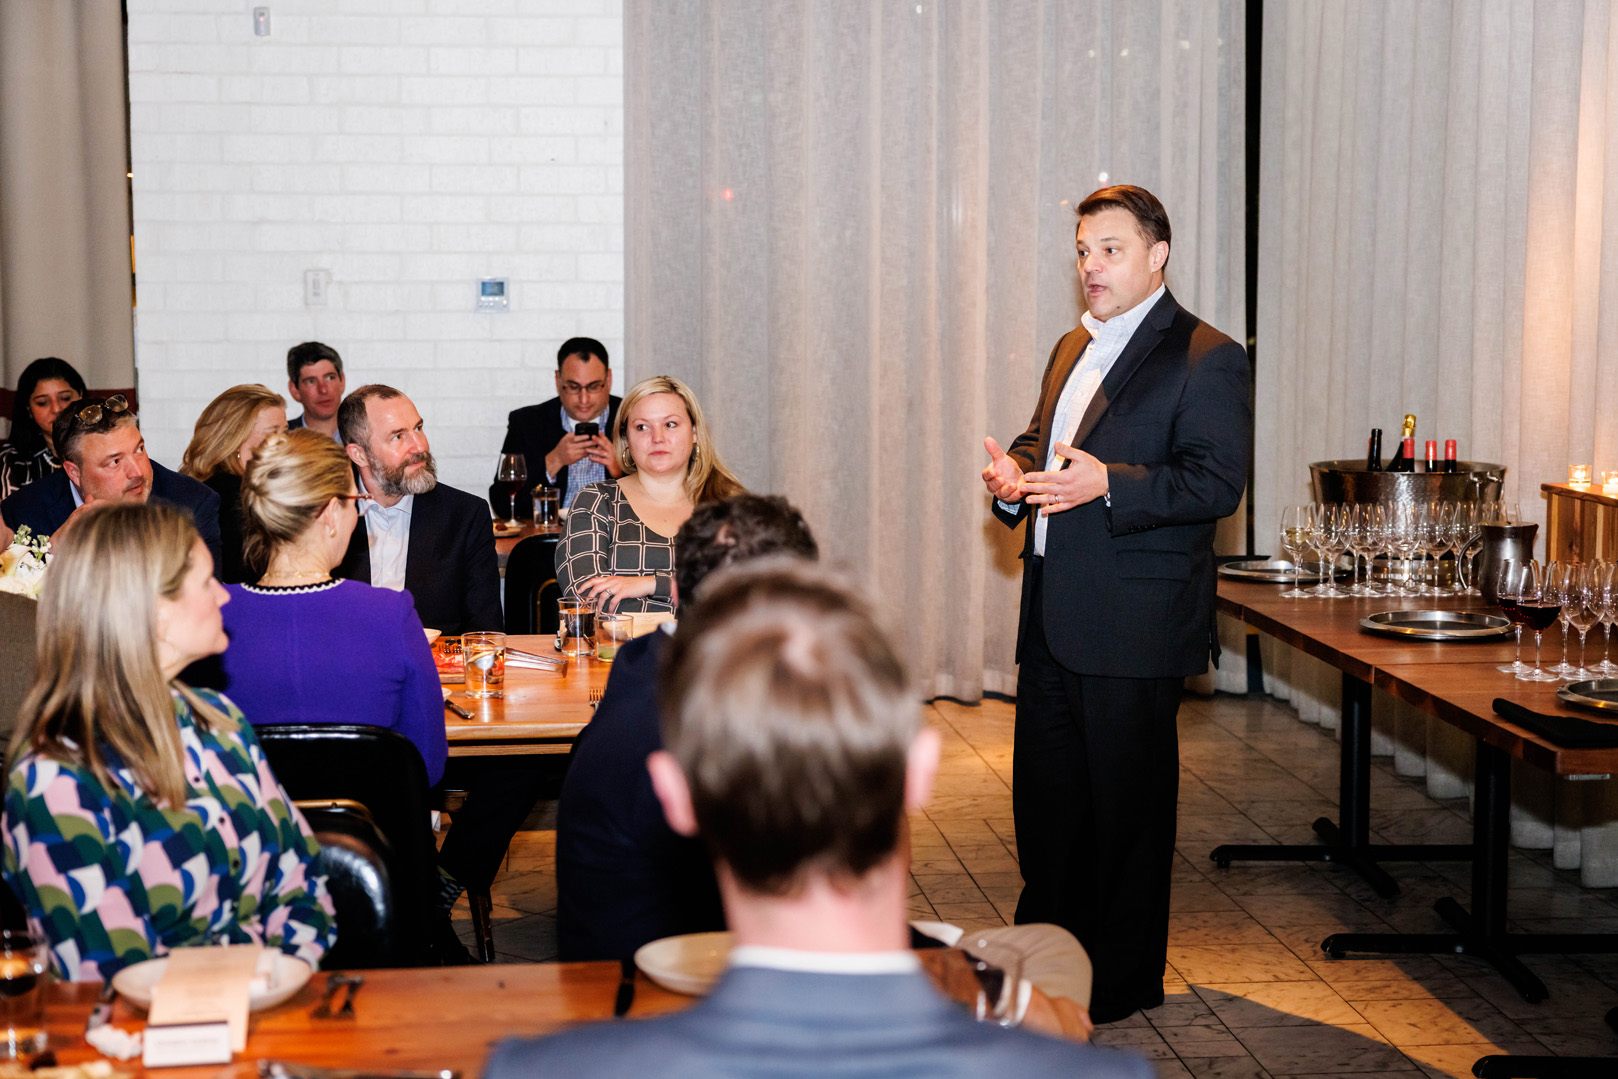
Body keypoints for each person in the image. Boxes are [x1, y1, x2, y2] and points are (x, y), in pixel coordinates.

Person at [486, 563, 1148, 1078]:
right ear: (919, 773)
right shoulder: (1101, 1074)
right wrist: (995, 992)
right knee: (1055, 953)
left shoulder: (537, 1069)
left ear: (679, 796)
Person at [980, 185, 1251, 1023]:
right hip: (1053, 613)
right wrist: (1013, 476)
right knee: (1048, 807)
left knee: (1126, 815)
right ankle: (1047, 961)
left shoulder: (1207, 355)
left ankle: (1122, 981)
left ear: (1156, 254)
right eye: (1083, 251)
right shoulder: (1073, 344)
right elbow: (1042, 439)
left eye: (1110, 249)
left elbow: (1216, 482)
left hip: (1135, 621)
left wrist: (1109, 484)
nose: (1091, 266)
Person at [0, 501, 335, 982]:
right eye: (206, 582)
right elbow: (111, 974)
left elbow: (303, 877)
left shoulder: (221, 722)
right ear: (156, 615)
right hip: (143, 1028)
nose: (223, 596)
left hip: (278, 1004)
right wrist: (252, 981)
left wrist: (283, 973)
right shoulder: (54, 780)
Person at [556, 494, 818, 962]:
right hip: (654, 979)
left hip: (621, 955)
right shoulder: (711, 721)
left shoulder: (643, 662)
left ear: (674, 590)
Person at [217, 429, 446, 785]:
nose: (357, 515)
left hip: (251, 818)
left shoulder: (214, 614)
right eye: (354, 501)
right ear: (329, 513)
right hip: (372, 818)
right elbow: (427, 763)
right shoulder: (390, 614)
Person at [555, 375, 742, 615]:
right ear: (626, 439)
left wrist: (653, 584)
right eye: (642, 427)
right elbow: (587, 598)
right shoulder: (597, 500)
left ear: (695, 432)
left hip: (708, 641)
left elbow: (746, 595)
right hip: (621, 642)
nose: (657, 438)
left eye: (670, 424)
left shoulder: (729, 503)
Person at [334, 384, 502, 634]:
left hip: (435, 659)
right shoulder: (325, 515)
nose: (420, 446)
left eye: (418, 428)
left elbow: (485, 634)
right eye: (398, 436)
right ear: (359, 454)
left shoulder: (465, 515)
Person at [0, 396, 222, 567]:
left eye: (139, 450)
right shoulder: (23, 512)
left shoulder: (192, 505)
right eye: (115, 461)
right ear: (74, 473)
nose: (137, 472)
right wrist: (52, 553)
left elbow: (205, 599)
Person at [495, 337, 622, 518]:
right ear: (558, 380)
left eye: (593, 387)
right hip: (551, 533)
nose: (584, 399)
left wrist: (619, 471)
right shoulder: (528, 423)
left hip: (615, 531)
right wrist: (553, 462)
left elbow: (658, 497)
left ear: (608, 379)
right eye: (573, 387)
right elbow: (502, 505)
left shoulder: (632, 419)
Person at [179, 384, 287, 583]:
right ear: (236, 438)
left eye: (285, 431)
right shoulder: (233, 498)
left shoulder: (207, 488)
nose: (284, 442)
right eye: (273, 433)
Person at [0, 357, 86, 499]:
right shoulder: (11, 460)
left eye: (65, 398)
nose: (56, 409)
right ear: (28, 408)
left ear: (81, 396)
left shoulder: (107, 447)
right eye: (42, 402)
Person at [284, 341, 346, 443]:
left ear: (342, 381)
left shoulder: (365, 435)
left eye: (330, 378)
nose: (323, 390)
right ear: (294, 389)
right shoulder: (281, 441)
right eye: (311, 381)